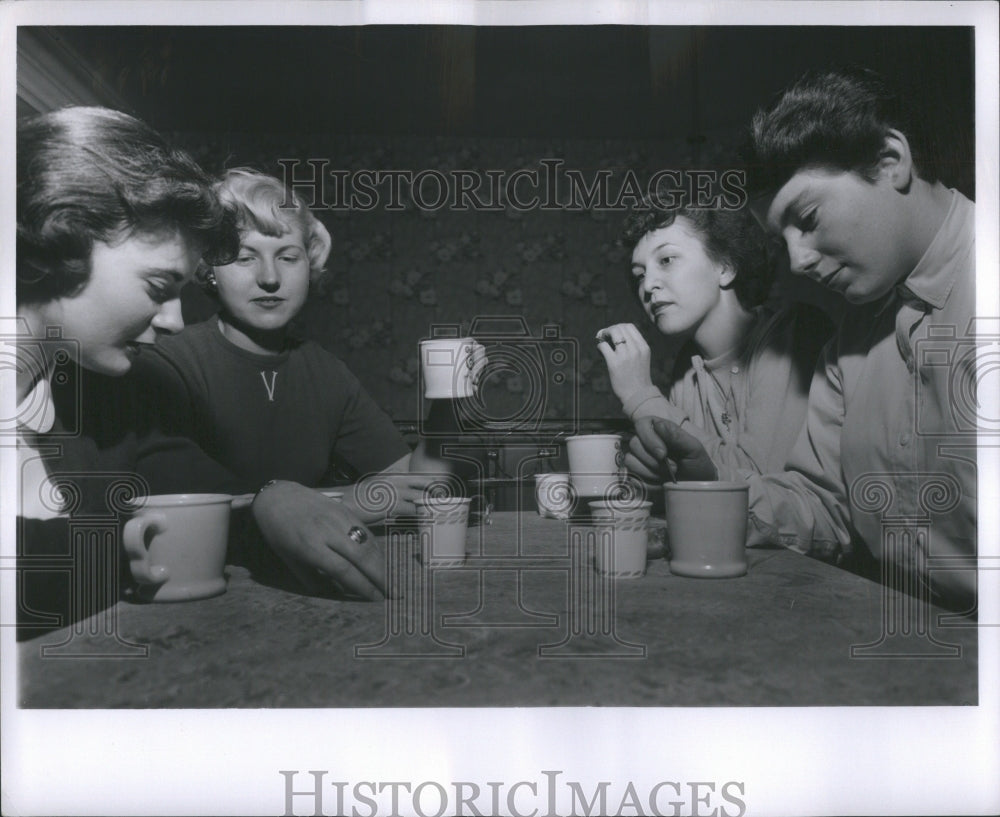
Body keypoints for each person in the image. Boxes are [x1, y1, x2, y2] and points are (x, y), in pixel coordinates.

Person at [14, 108, 391, 642]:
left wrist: (270, 497)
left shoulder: (112, 402)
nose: (173, 320)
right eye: (158, 287)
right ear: (65, 236)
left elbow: (214, 497)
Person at [626, 67, 976, 608]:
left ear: (890, 161)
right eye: (780, 238)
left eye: (807, 217)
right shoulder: (853, 338)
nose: (796, 259)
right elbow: (824, 511)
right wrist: (704, 476)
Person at [128, 168, 467, 525]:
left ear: (310, 266)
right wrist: (339, 504)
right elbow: (180, 503)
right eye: (246, 257)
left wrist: (449, 397)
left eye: (288, 257)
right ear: (209, 268)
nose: (270, 278)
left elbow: (420, 488)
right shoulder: (169, 364)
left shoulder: (326, 373)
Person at [596, 202, 830, 480]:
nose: (647, 286)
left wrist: (641, 396)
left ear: (725, 267)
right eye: (640, 275)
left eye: (666, 260)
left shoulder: (793, 333)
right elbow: (693, 478)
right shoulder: (686, 371)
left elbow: (759, 481)